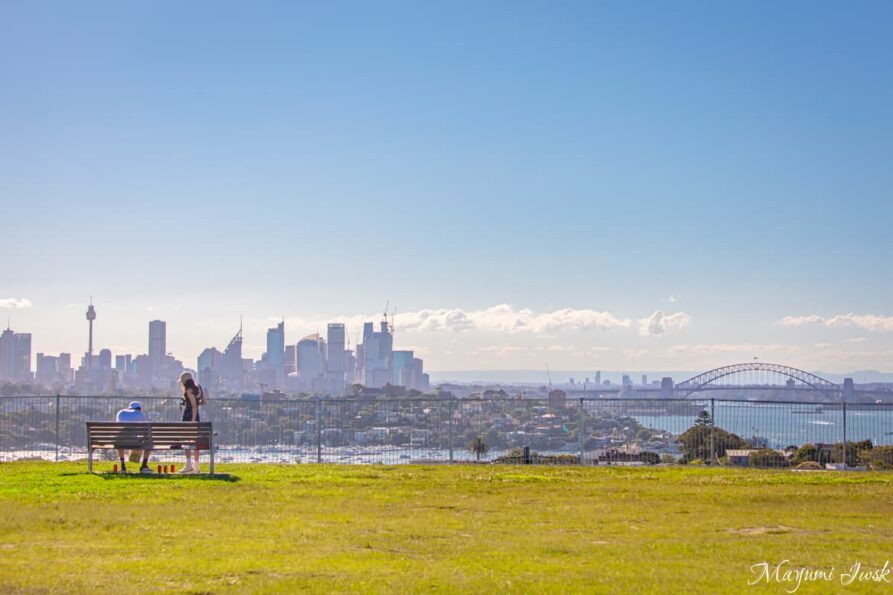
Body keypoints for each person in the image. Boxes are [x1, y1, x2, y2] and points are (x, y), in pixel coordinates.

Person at [115, 401, 154, 474]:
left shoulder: (121, 413)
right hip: (134, 442)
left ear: (129, 408)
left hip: (120, 442)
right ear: (139, 409)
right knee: (149, 443)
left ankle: (123, 466)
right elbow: (145, 431)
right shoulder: (140, 414)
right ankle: (144, 466)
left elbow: (119, 429)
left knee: (120, 440)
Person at [178, 371, 204, 474]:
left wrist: (192, 420)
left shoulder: (188, 390)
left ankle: (189, 465)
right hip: (196, 416)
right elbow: (203, 402)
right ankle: (196, 466)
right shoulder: (199, 388)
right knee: (194, 441)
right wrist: (196, 404)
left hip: (189, 417)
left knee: (186, 440)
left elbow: (193, 406)